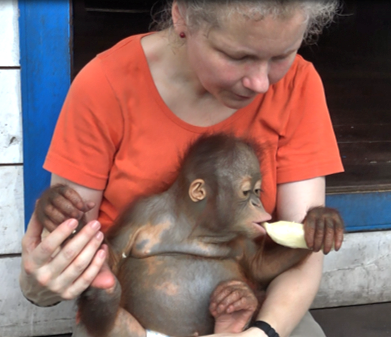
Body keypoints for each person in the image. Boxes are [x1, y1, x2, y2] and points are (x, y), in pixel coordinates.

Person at [19, 0, 344, 336]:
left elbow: (301, 249)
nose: (261, 82)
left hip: (247, 315)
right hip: (129, 320)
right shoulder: (106, 83)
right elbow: (71, 243)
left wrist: (260, 332)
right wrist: (53, 228)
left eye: (281, 56)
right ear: (182, 16)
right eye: (237, 56)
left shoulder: (297, 84)